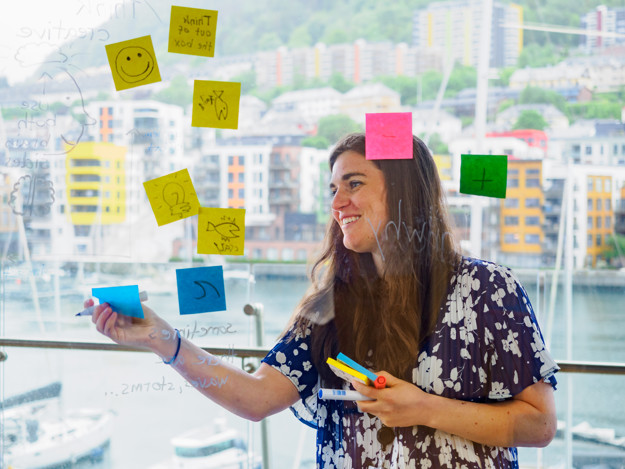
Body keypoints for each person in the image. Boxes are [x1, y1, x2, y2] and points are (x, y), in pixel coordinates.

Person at [87, 132, 559, 468]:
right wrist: (162, 340)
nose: (337, 202)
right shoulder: (330, 304)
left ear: (406, 192)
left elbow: (538, 425)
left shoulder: (487, 288)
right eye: (333, 189)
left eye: (354, 184)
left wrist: (424, 408)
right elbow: (256, 398)